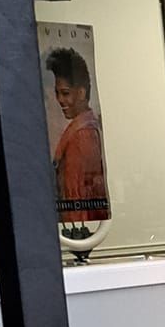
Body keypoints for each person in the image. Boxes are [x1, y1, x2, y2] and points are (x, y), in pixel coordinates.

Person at [45, 45, 109, 226]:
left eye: (65, 93)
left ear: (81, 93)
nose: (60, 100)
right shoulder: (85, 128)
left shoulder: (81, 136)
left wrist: (76, 240)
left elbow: (76, 201)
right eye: (57, 93)